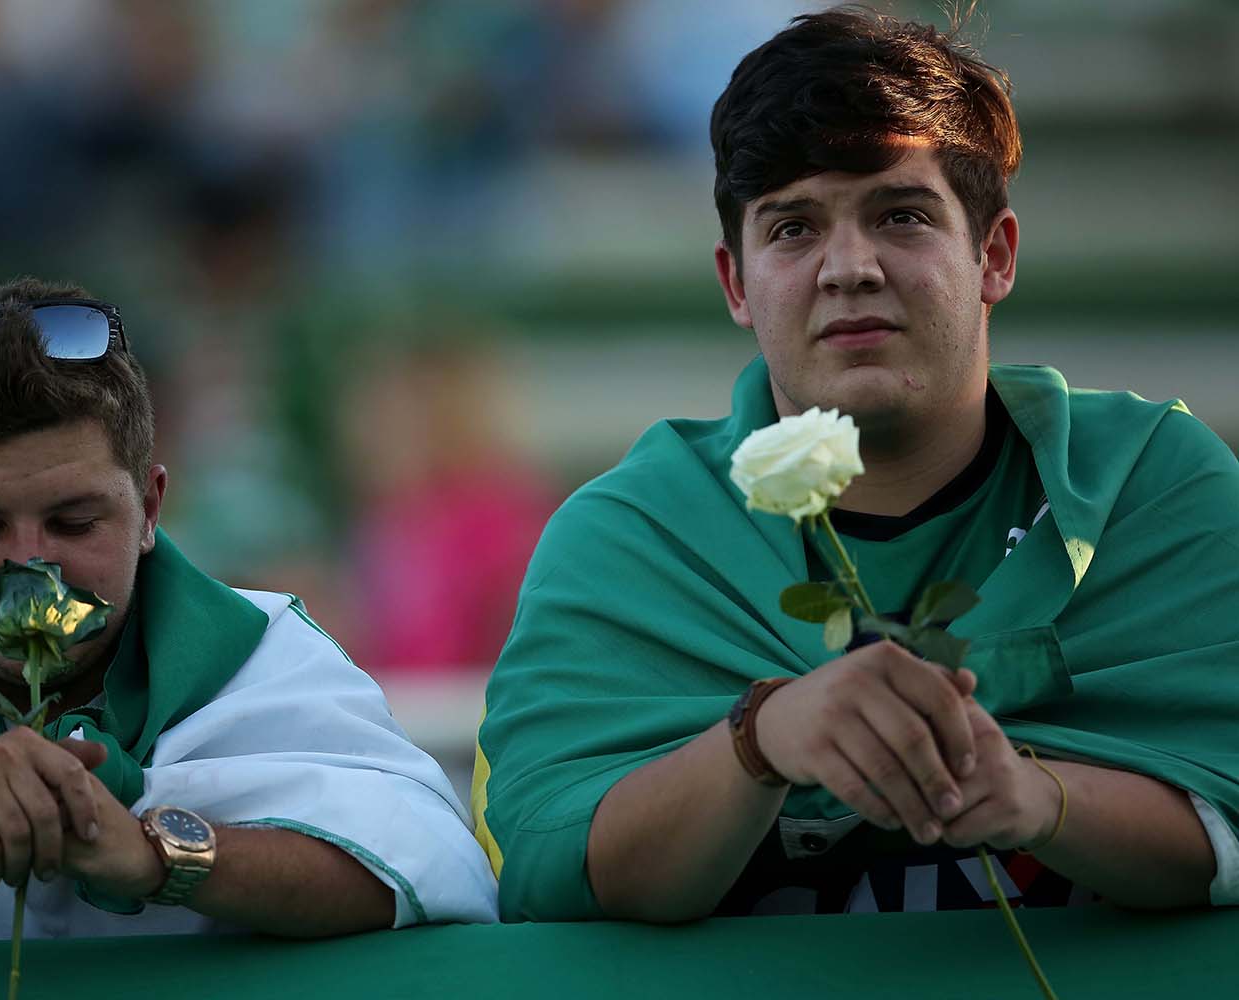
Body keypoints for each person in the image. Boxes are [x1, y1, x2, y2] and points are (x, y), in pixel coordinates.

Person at [473, 6, 1239, 922]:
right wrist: (758, 742)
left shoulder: (1155, 487)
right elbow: (552, 866)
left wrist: (1041, 801)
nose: (849, 268)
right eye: (792, 229)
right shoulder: (632, 540)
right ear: (736, 283)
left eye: (901, 216)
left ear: (994, 256)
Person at [0, 277, 498, 945]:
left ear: (150, 509)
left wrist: (156, 853)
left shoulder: (269, 661)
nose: (30, 568)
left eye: (74, 523)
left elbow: (435, 867)